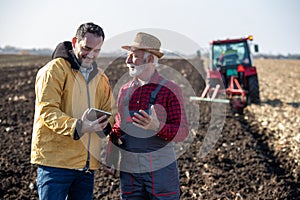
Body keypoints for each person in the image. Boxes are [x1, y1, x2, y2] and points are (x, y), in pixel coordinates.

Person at [31, 22, 114, 200]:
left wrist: (106, 126)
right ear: (75, 41)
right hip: (56, 164)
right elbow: (47, 111)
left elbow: (111, 111)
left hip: (86, 167)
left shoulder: (100, 77)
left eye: (97, 50)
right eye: (86, 48)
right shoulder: (54, 71)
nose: (91, 54)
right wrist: (79, 126)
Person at [107, 32, 189, 199]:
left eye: (134, 56)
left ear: (151, 60)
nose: (127, 61)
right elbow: (118, 128)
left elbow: (182, 132)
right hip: (130, 173)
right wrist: (111, 157)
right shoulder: (125, 91)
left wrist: (157, 127)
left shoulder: (170, 90)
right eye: (128, 55)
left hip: (161, 173)